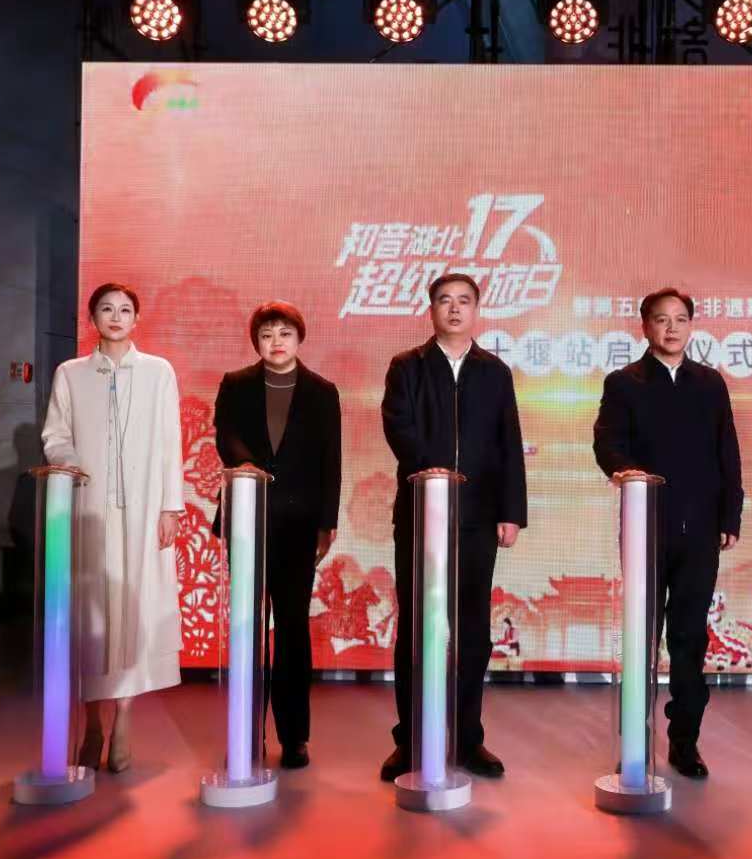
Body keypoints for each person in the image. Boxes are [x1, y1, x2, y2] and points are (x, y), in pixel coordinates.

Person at [379, 273, 528, 782]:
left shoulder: (495, 372)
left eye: (464, 301)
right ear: (431, 310)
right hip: (421, 512)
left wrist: (511, 511)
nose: (455, 309)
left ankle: (468, 739)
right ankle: (411, 740)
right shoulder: (408, 366)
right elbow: (398, 426)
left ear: (477, 310)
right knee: (417, 628)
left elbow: (509, 442)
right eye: (445, 301)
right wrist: (434, 470)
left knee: (472, 632)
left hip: (478, 518)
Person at [592, 288, 743, 779]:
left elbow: (727, 452)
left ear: (691, 326)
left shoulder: (710, 384)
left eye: (680, 319)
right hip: (646, 527)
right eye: (661, 319)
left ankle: (684, 740)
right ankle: (635, 738)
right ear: (645, 326)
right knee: (642, 635)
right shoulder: (624, 383)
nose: (671, 328)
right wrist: (624, 471)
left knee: (689, 636)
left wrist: (730, 517)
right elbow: (606, 443)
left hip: (700, 530)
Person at [41, 282, 186, 773]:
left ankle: (124, 719)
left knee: (135, 609)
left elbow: (169, 441)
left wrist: (170, 507)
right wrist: (70, 465)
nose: (116, 317)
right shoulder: (71, 373)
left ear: (136, 319)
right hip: (88, 508)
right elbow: (55, 433)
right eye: (107, 309)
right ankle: (92, 724)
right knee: (91, 616)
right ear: (92, 319)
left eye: (125, 309)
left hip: (143, 510)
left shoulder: (158, 372)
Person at [212, 301, 342, 770]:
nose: (276, 342)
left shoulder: (322, 391)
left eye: (285, 333)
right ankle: (246, 732)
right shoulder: (236, 383)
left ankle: (294, 737)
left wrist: (327, 522)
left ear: (299, 338)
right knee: (247, 627)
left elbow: (331, 460)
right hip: (248, 517)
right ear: (256, 341)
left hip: (299, 525)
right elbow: (225, 435)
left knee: (291, 629)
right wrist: (247, 465)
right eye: (266, 334)